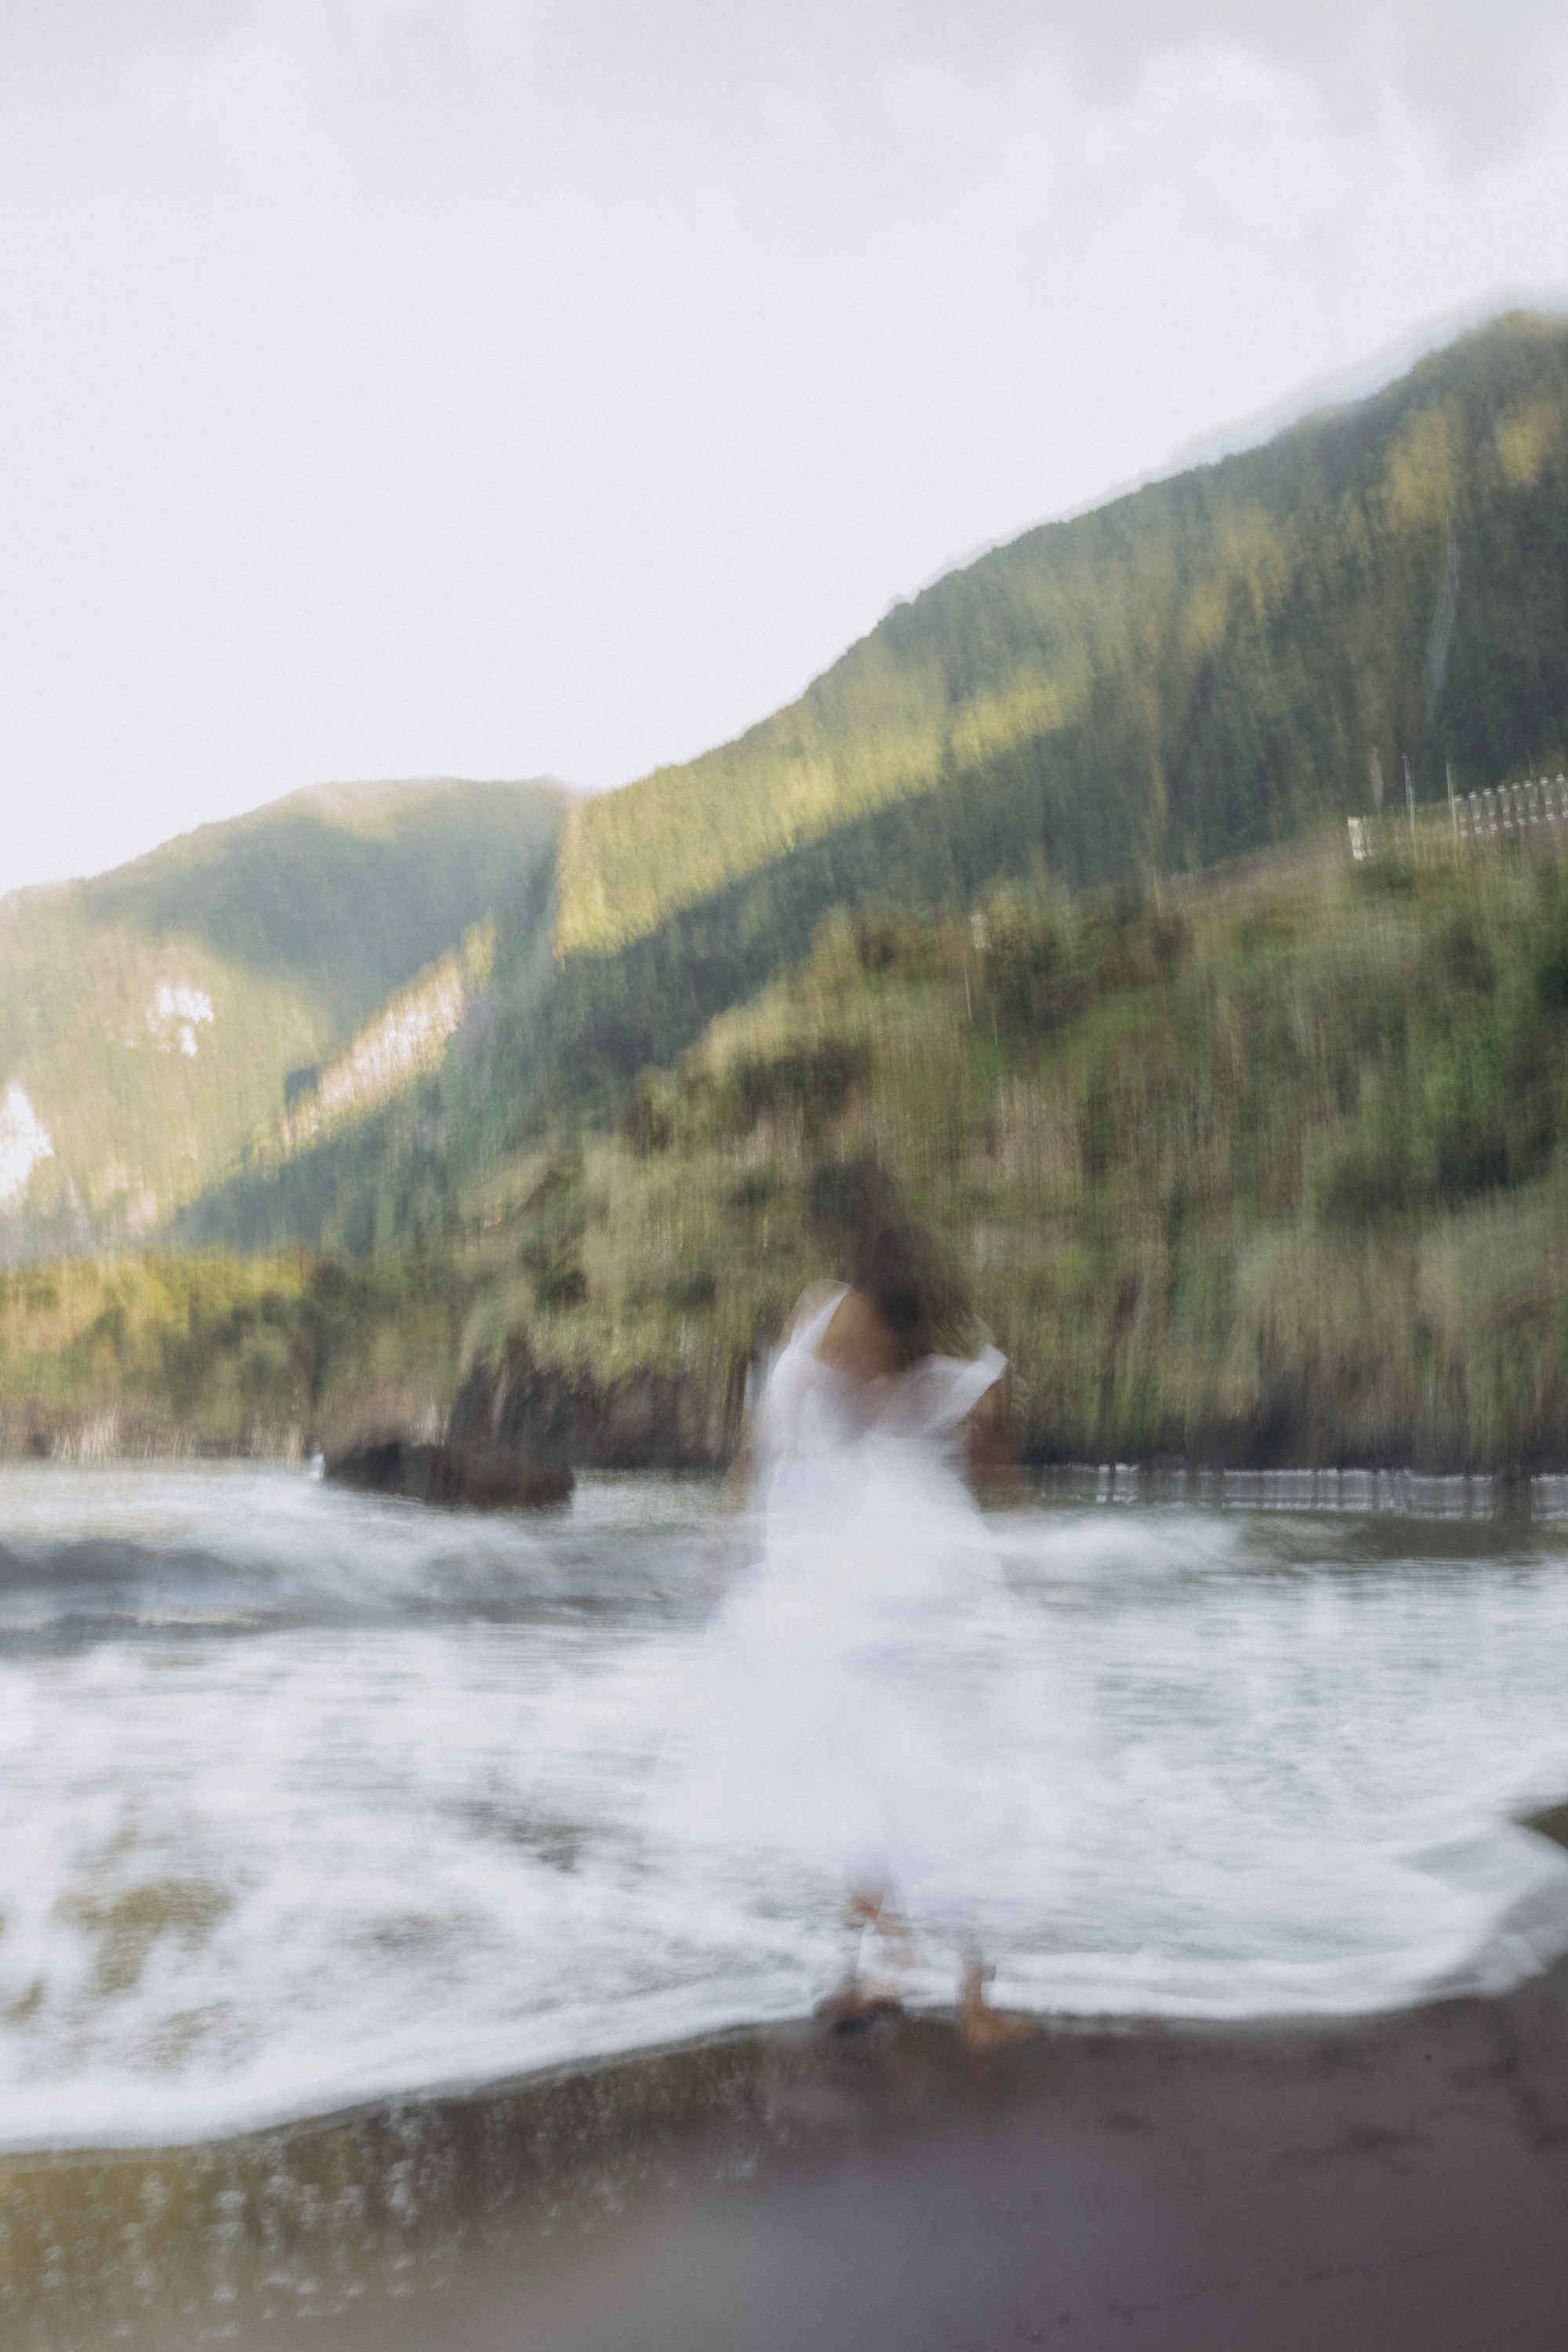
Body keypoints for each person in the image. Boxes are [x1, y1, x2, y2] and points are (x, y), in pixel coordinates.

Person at [689, 1165, 1036, 2053]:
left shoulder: (839, 1337)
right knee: (925, 1788)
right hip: (918, 1595)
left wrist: (728, 1541)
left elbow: (764, 1447)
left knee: (877, 1783)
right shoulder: (949, 1374)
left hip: (869, 1598)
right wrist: (1041, 1584)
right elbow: (1001, 1492)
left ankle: (900, 1970)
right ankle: (948, 1990)